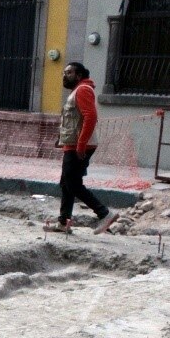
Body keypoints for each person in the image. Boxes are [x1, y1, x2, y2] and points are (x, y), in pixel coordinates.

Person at [50, 62, 118, 235]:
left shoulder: (83, 90)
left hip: (79, 146)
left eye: (69, 72)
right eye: (64, 72)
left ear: (79, 75)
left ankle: (104, 213)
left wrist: (80, 144)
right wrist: (62, 139)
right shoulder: (77, 91)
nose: (65, 76)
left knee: (72, 183)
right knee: (66, 183)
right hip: (73, 145)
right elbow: (73, 120)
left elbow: (90, 117)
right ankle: (63, 222)